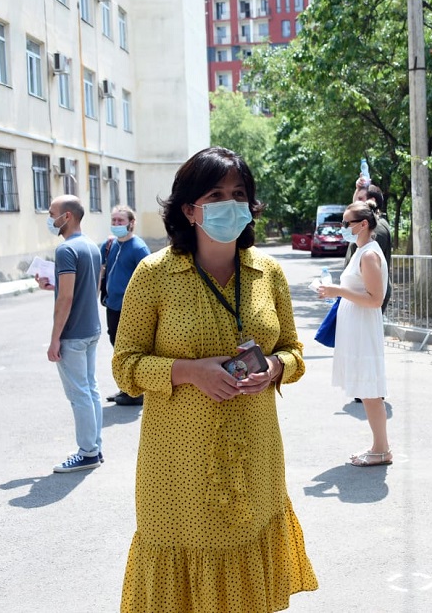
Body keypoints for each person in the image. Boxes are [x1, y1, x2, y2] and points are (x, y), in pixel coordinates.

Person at [111, 147, 316, 612]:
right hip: (179, 465)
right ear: (189, 209)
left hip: (256, 454)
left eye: (239, 194)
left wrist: (275, 368)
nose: (231, 204)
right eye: (216, 195)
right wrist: (188, 372)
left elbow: (294, 351)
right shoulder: (154, 274)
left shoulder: (268, 273)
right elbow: (125, 367)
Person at [317, 201, 391, 466]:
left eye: (346, 223)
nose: (342, 227)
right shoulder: (361, 251)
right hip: (356, 329)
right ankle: (378, 446)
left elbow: (375, 299)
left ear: (363, 224)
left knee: (370, 389)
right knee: (365, 388)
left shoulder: (369, 255)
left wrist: (338, 291)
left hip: (363, 329)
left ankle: (381, 449)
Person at [36, 196, 103, 474]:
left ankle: (87, 452)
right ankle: (95, 446)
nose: (50, 219)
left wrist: (55, 339)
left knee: (79, 394)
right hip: (91, 329)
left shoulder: (65, 250)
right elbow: (88, 287)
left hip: (73, 334)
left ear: (68, 216)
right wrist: (52, 285)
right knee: (90, 389)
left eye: (52, 213)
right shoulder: (92, 246)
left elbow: (65, 298)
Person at [100, 206, 150, 407]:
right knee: (117, 347)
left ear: (131, 223)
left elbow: (149, 280)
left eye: (120, 221)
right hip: (112, 305)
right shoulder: (109, 245)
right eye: (113, 221)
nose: (116, 224)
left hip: (131, 309)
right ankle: (126, 387)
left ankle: (136, 393)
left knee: (130, 350)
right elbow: (100, 267)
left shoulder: (138, 248)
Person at [345, 178, 392, 313]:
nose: (355, 202)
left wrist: (339, 291)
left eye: (360, 198)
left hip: (364, 305)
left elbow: (371, 278)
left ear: (371, 201)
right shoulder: (363, 229)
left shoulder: (377, 230)